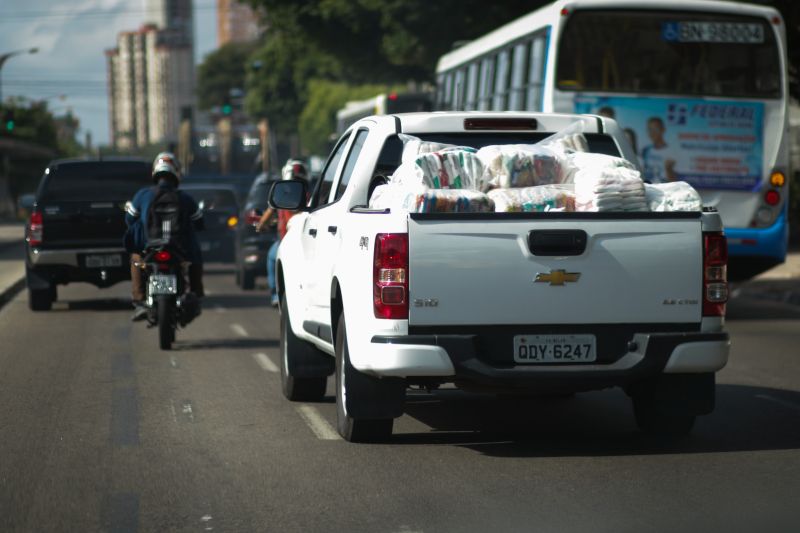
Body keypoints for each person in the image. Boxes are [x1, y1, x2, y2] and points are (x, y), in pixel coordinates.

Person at [124, 153, 205, 321]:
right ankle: (196, 292)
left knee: (136, 258)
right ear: (176, 173)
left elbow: (130, 219)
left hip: (150, 248)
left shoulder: (143, 195)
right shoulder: (185, 198)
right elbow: (199, 222)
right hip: (179, 250)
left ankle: (139, 301)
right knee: (196, 255)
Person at [255, 159, 308, 306]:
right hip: (307, 240)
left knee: (272, 257)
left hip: (287, 241)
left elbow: (266, 217)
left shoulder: (281, 194)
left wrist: (260, 226)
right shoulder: (311, 194)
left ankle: (274, 295)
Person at [640, 117, 677, 183]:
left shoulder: (671, 152)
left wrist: (668, 169)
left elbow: (674, 181)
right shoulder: (646, 150)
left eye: (655, 129)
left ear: (663, 130)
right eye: (650, 129)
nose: (652, 133)